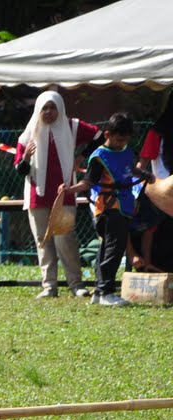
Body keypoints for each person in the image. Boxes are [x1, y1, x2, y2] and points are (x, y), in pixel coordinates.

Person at [15, 91, 97, 299]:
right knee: (43, 241)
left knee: (65, 239)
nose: (49, 112)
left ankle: (76, 283)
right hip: (37, 195)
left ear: (60, 108)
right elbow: (19, 170)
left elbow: (99, 137)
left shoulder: (72, 126)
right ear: (38, 110)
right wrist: (25, 158)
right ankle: (49, 285)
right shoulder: (28, 134)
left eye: (53, 107)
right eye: (45, 108)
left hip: (64, 194)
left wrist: (82, 156)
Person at [72, 112, 138, 308]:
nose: (121, 143)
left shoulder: (126, 151)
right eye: (118, 139)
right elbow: (88, 181)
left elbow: (129, 169)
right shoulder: (100, 156)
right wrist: (70, 190)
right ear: (107, 134)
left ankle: (100, 291)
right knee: (113, 250)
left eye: (125, 140)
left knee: (106, 248)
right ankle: (106, 292)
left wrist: (143, 174)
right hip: (109, 208)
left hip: (124, 205)